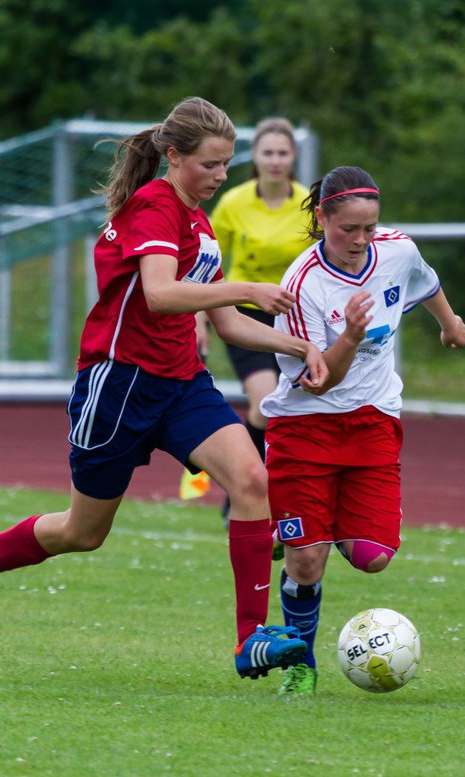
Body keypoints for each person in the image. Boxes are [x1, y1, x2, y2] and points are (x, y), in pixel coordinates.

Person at [0, 96, 330, 682]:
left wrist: (299, 347)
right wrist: (246, 285)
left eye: (227, 165)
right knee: (82, 532)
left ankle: (251, 641)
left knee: (254, 482)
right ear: (174, 156)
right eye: (211, 165)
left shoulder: (198, 219)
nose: (222, 177)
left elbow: (224, 323)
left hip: (181, 384)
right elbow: (160, 294)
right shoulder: (154, 207)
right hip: (118, 386)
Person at [260, 165, 465, 698]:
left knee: (374, 557)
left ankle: (300, 527)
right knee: (309, 561)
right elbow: (319, 385)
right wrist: (350, 335)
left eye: (369, 228)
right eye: (347, 228)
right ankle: (299, 666)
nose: (359, 240)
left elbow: (425, 280)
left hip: (373, 421)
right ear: (321, 217)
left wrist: (448, 321)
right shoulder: (302, 284)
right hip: (306, 427)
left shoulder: (397, 250)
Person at [180, 117, 313, 519]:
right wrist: (199, 319)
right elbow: (203, 261)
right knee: (265, 401)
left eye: (283, 153)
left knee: (288, 410)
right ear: (254, 157)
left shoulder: (309, 204)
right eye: (267, 152)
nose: (275, 160)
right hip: (242, 312)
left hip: (294, 315)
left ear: (293, 157)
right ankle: (243, 487)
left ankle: (253, 487)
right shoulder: (235, 202)